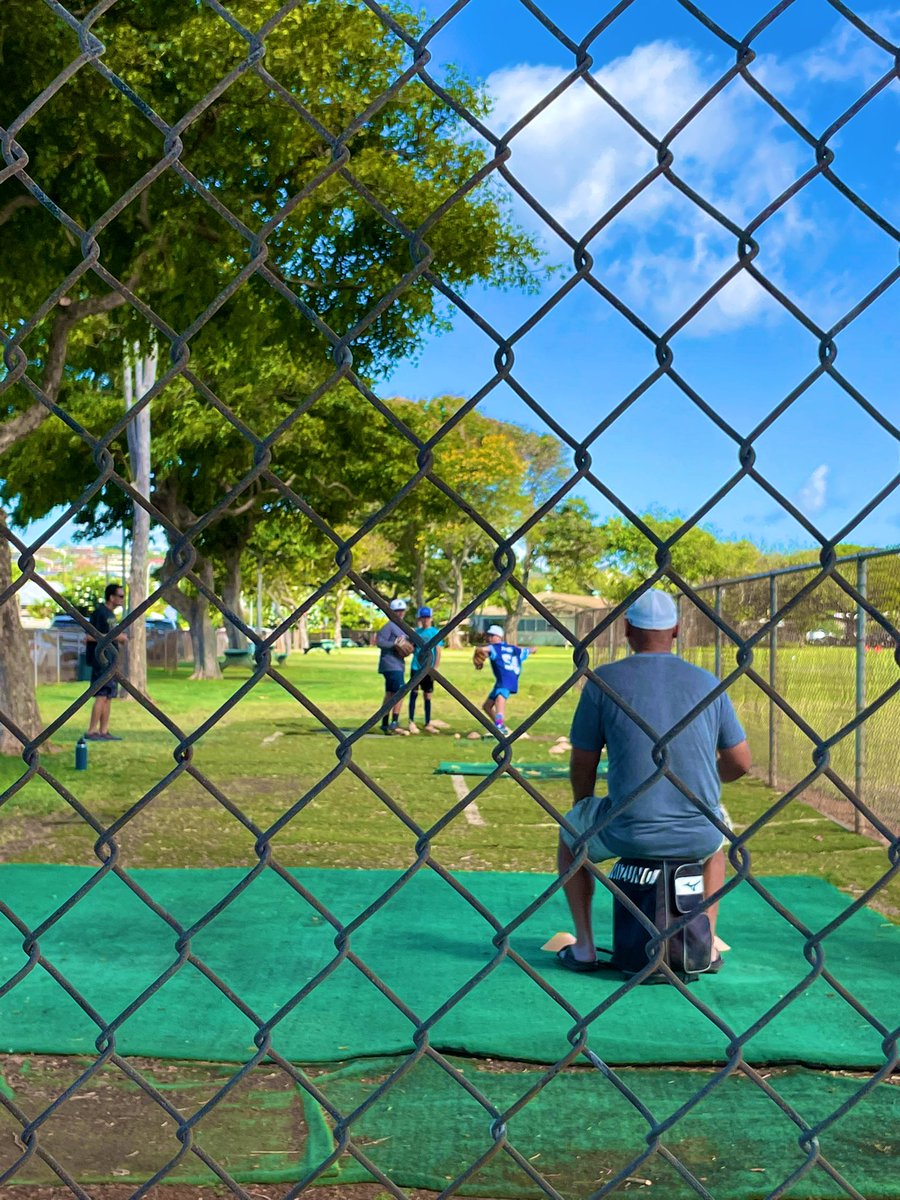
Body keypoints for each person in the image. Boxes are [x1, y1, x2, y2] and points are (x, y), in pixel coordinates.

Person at [557, 589, 751, 972]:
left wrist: (584, 804)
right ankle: (704, 946)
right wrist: (708, 783)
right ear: (676, 630)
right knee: (716, 840)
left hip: (626, 829)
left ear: (627, 628)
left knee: (569, 838)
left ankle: (584, 946)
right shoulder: (708, 682)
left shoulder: (603, 681)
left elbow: (584, 761)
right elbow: (741, 762)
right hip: (696, 832)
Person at [85, 582, 128, 742]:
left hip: (111, 662)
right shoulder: (99, 613)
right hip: (100, 661)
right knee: (101, 695)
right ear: (111, 597)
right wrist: (117, 637)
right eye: (121, 596)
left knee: (109, 696)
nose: (123, 599)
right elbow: (88, 637)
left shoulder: (111, 615)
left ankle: (103, 731)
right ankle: (91, 731)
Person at [475, 624, 533, 736]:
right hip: (507, 680)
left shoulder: (494, 648)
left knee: (500, 700)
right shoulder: (512, 649)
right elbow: (526, 651)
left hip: (504, 680)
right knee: (487, 706)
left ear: (498, 636)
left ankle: (500, 727)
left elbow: (482, 649)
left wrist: (478, 651)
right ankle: (500, 725)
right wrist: (533, 649)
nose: (489, 638)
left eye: (491, 636)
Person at [376, 598, 411, 735]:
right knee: (401, 691)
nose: (400, 613)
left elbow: (409, 644)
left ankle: (385, 722)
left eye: (402, 611)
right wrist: (394, 645)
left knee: (390, 694)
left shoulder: (403, 627)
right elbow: (380, 642)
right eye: (397, 611)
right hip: (390, 665)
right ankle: (394, 722)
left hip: (398, 664)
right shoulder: (389, 626)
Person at [408, 606, 442, 734]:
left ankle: (428, 722)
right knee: (414, 693)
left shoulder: (435, 632)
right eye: (423, 617)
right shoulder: (416, 632)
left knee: (428, 695)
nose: (425, 620)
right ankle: (411, 721)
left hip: (428, 669)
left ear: (431, 618)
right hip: (416, 667)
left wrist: (435, 668)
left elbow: (438, 651)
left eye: (427, 617)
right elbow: (412, 648)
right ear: (420, 619)